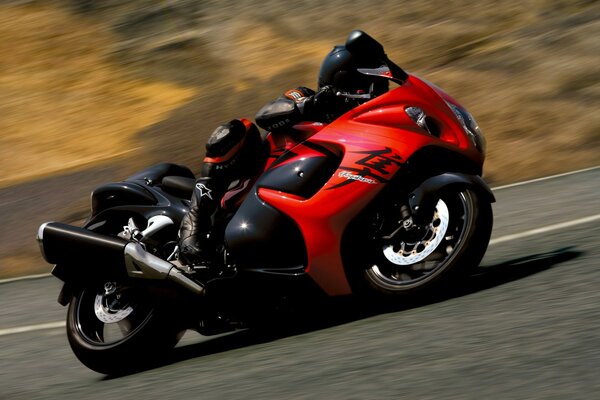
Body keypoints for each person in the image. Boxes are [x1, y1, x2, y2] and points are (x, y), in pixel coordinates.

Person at [177, 32, 390, 269]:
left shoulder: (362, 131)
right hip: (250, 188)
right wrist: (312, 105)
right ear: (345, 80)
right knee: (239, 129)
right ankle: (192, 227)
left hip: (299, 211)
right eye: (371, 87)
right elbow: (265, 116)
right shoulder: (305, 96)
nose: (376, 94)